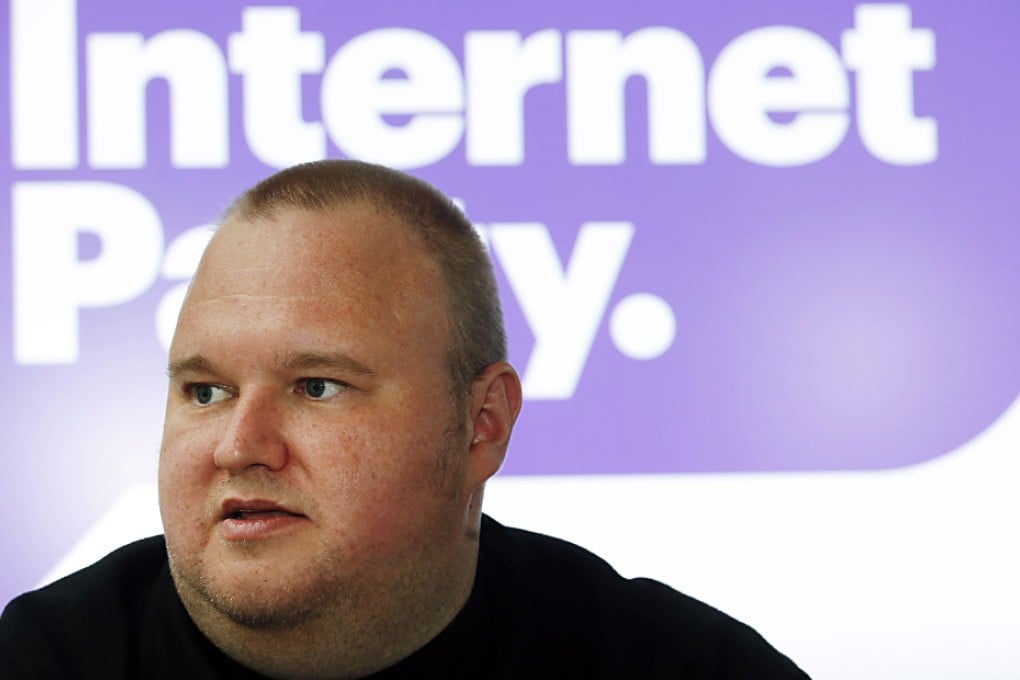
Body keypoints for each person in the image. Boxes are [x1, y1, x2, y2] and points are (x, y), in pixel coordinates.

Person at [0, 160, 810, 679]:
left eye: (316, 386)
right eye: (204, 392)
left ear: (480, 424)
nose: (239, 446)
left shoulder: (675, 667)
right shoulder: (42, 660)